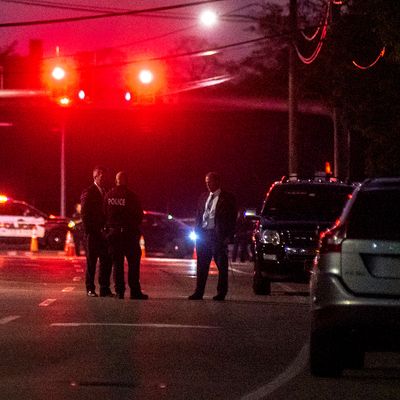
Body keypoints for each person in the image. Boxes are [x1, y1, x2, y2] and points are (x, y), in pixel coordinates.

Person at [189, 172, 237, 301]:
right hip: (203, 235)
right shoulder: (203, 197)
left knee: (222, 265)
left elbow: (232, 219)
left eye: (210, 182)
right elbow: (199, 215)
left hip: (218, 236)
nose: (208, 185)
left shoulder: (227, 198)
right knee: (202, 265)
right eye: (206, 182)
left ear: (217, 182)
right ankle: (199, 292)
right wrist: (197, 230)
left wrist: (228, 236)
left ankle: (221, 292)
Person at [104, 171, 148, 300]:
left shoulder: (108, 196)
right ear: (126, 181)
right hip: (129, 235)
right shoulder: (132, 196)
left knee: (117, 264)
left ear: (116, 180)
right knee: (133, 264)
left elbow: (104, 213)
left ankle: (119, 292)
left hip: (114, 234)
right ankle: (134, 291)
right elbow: (139, 216)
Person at [80, 166, 113, 297]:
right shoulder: (89, 192)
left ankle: (104, 288)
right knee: (91, 262)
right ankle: (90, 288)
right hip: (93, 234)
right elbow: (85, 214)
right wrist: (89, 231)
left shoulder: (105, 192)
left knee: (106, 261)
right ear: (96, 177)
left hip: (103, 234)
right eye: (102, 176)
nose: (104, 179)